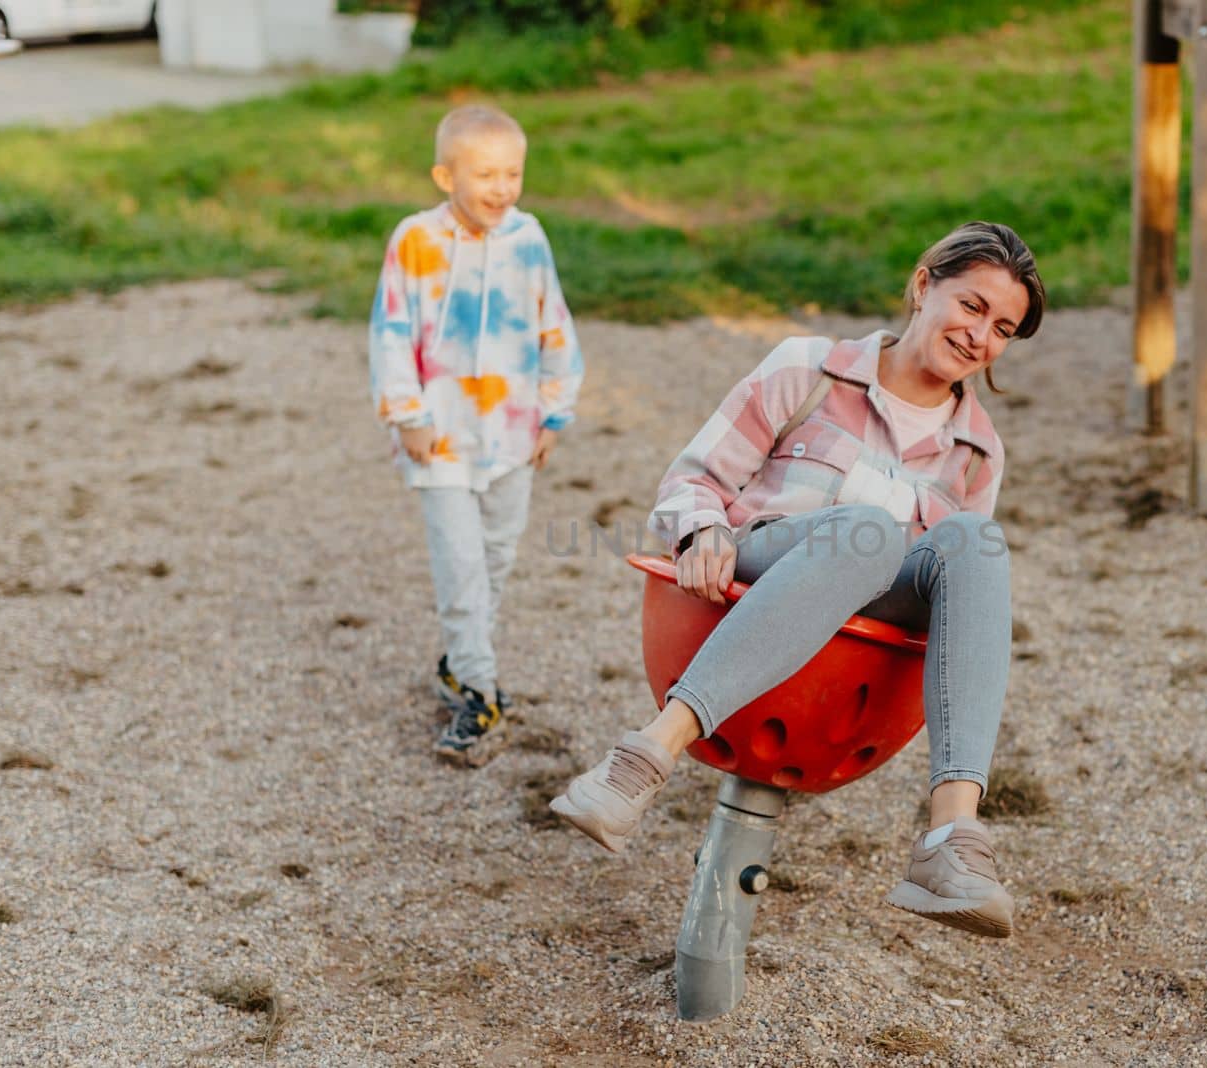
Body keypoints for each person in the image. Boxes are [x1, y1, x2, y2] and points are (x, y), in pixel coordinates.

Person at [551, 222, 1044, 937]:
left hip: (855, 648)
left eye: (1003, 329)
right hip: (756, 567)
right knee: (867, 531)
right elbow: (694, 479)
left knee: (974, 538)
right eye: (971, 306)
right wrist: (703, 531)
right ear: (922, 284)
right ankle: (640, 761)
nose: (980, 337)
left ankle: (952, 842)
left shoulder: (978, 452)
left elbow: (953, 600)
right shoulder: (810, 369)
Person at [368, 104, 583, 765]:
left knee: (495, 558)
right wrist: (407, 414)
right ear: (445, 175)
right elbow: (391, 331)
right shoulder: (415, 241)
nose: (501, 188)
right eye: (485, 174)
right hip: (441, 438)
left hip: (513, 433)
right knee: (460, 564)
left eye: (512, 173)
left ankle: (460, 663)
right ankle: (481, 693)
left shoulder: (528, 239)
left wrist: (553, 411)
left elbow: (555, 325)